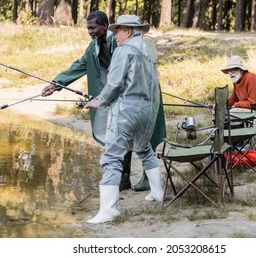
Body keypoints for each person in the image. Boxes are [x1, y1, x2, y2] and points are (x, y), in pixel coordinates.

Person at [41, 11, 166, 193]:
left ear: (105, 26)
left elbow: (122, 76)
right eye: (88, 28)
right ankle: (124, 179)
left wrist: (102, 100)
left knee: (145, 136)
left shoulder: (121, 43)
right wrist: (56, 83)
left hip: (141, 94)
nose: (90, 32)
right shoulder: (94, 47)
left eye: (93, 28)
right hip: (119, 97)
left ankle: (146, 181)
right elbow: (80, 65)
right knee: (121, 136)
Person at [84, 15, 164, 224]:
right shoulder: (147, 52)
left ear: (128, 32)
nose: (115, 36)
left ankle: (107, 210)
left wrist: (99, 101)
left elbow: (115, 83)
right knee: (144, 148)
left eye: (117, 31)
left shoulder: (123, 50)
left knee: (111, 157)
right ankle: (157, 193)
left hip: (127, 110)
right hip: (147, 110)